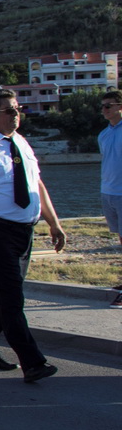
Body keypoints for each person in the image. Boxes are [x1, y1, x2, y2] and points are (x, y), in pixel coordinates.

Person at [0, 88, 66, 382]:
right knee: (11, 299)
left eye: (18, 109)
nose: (16, 115)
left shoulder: (20, 143)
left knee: (1, 293)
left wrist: (53, 223)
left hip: (24, 232)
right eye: (9, 110)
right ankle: (32, 361)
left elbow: (37, 185)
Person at [97, 89, 122, 308]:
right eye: (103, 106)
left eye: (109, 106)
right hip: (109, 192)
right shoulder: (104, 134)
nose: (104, 110)